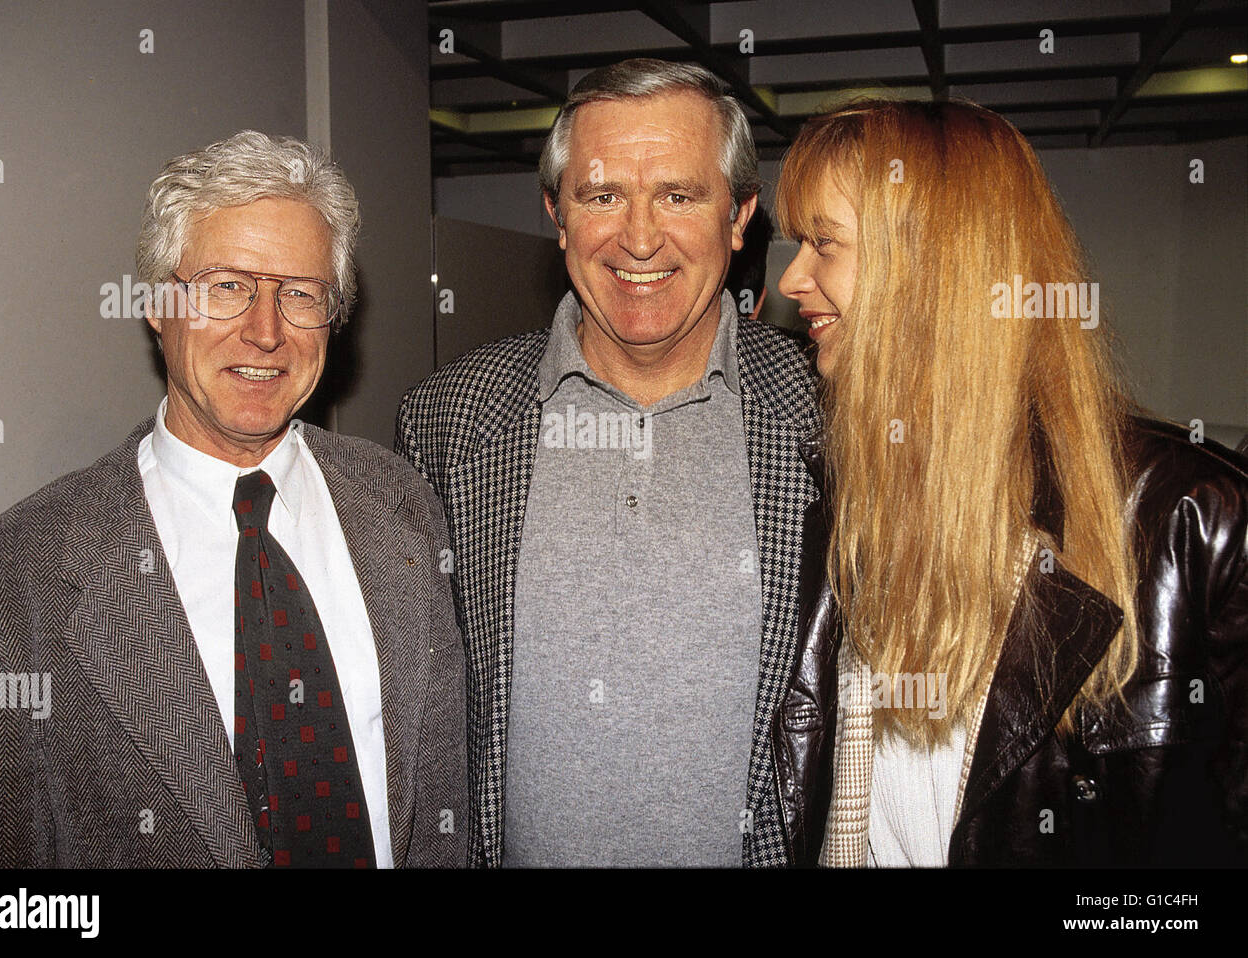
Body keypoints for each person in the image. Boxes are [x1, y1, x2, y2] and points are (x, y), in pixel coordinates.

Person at [0, 131, 467, 868]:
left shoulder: (403, 505)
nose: (266, 332)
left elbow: (441, 812)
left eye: (300, 294)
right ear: (158, 303)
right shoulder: (1, 586)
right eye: (227, 286)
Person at [770, 98, 1248, 866]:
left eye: (824, 242)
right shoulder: (845, 494)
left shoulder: (1191, 518)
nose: (793, 276)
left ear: (934, 265)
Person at [396, 58, 819, 866]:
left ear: (740, 217)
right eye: (602, 196)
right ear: (558, 217)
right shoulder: (448, 420)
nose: (639, 238)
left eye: (678, 195)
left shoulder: (830, 418)